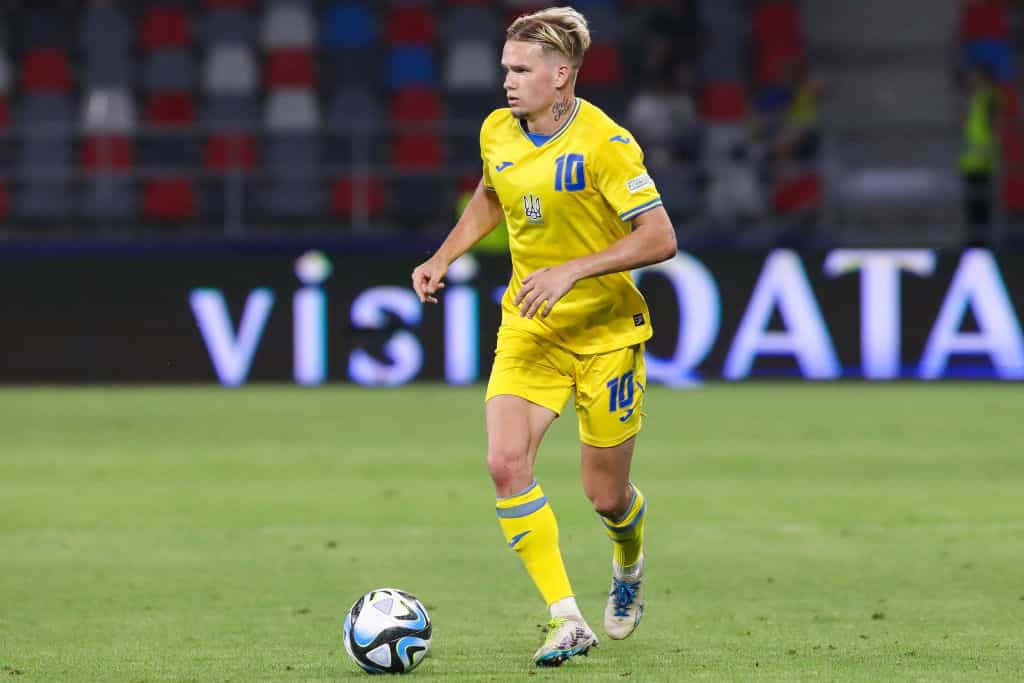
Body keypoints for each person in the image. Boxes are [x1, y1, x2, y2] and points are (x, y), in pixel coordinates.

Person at [411, 7, 677, 667]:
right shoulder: (499, 131)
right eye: (506, 67)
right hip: (530, 329)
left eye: (522, 70)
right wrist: (444, 256)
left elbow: (661, 237)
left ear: (562, 77)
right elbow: (491, 195)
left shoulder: (606, 144)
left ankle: (629, 559)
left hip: (605, 334)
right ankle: (566, 617)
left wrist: (573, 270)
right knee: (505, 463)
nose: (507, 81)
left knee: (605, 495)